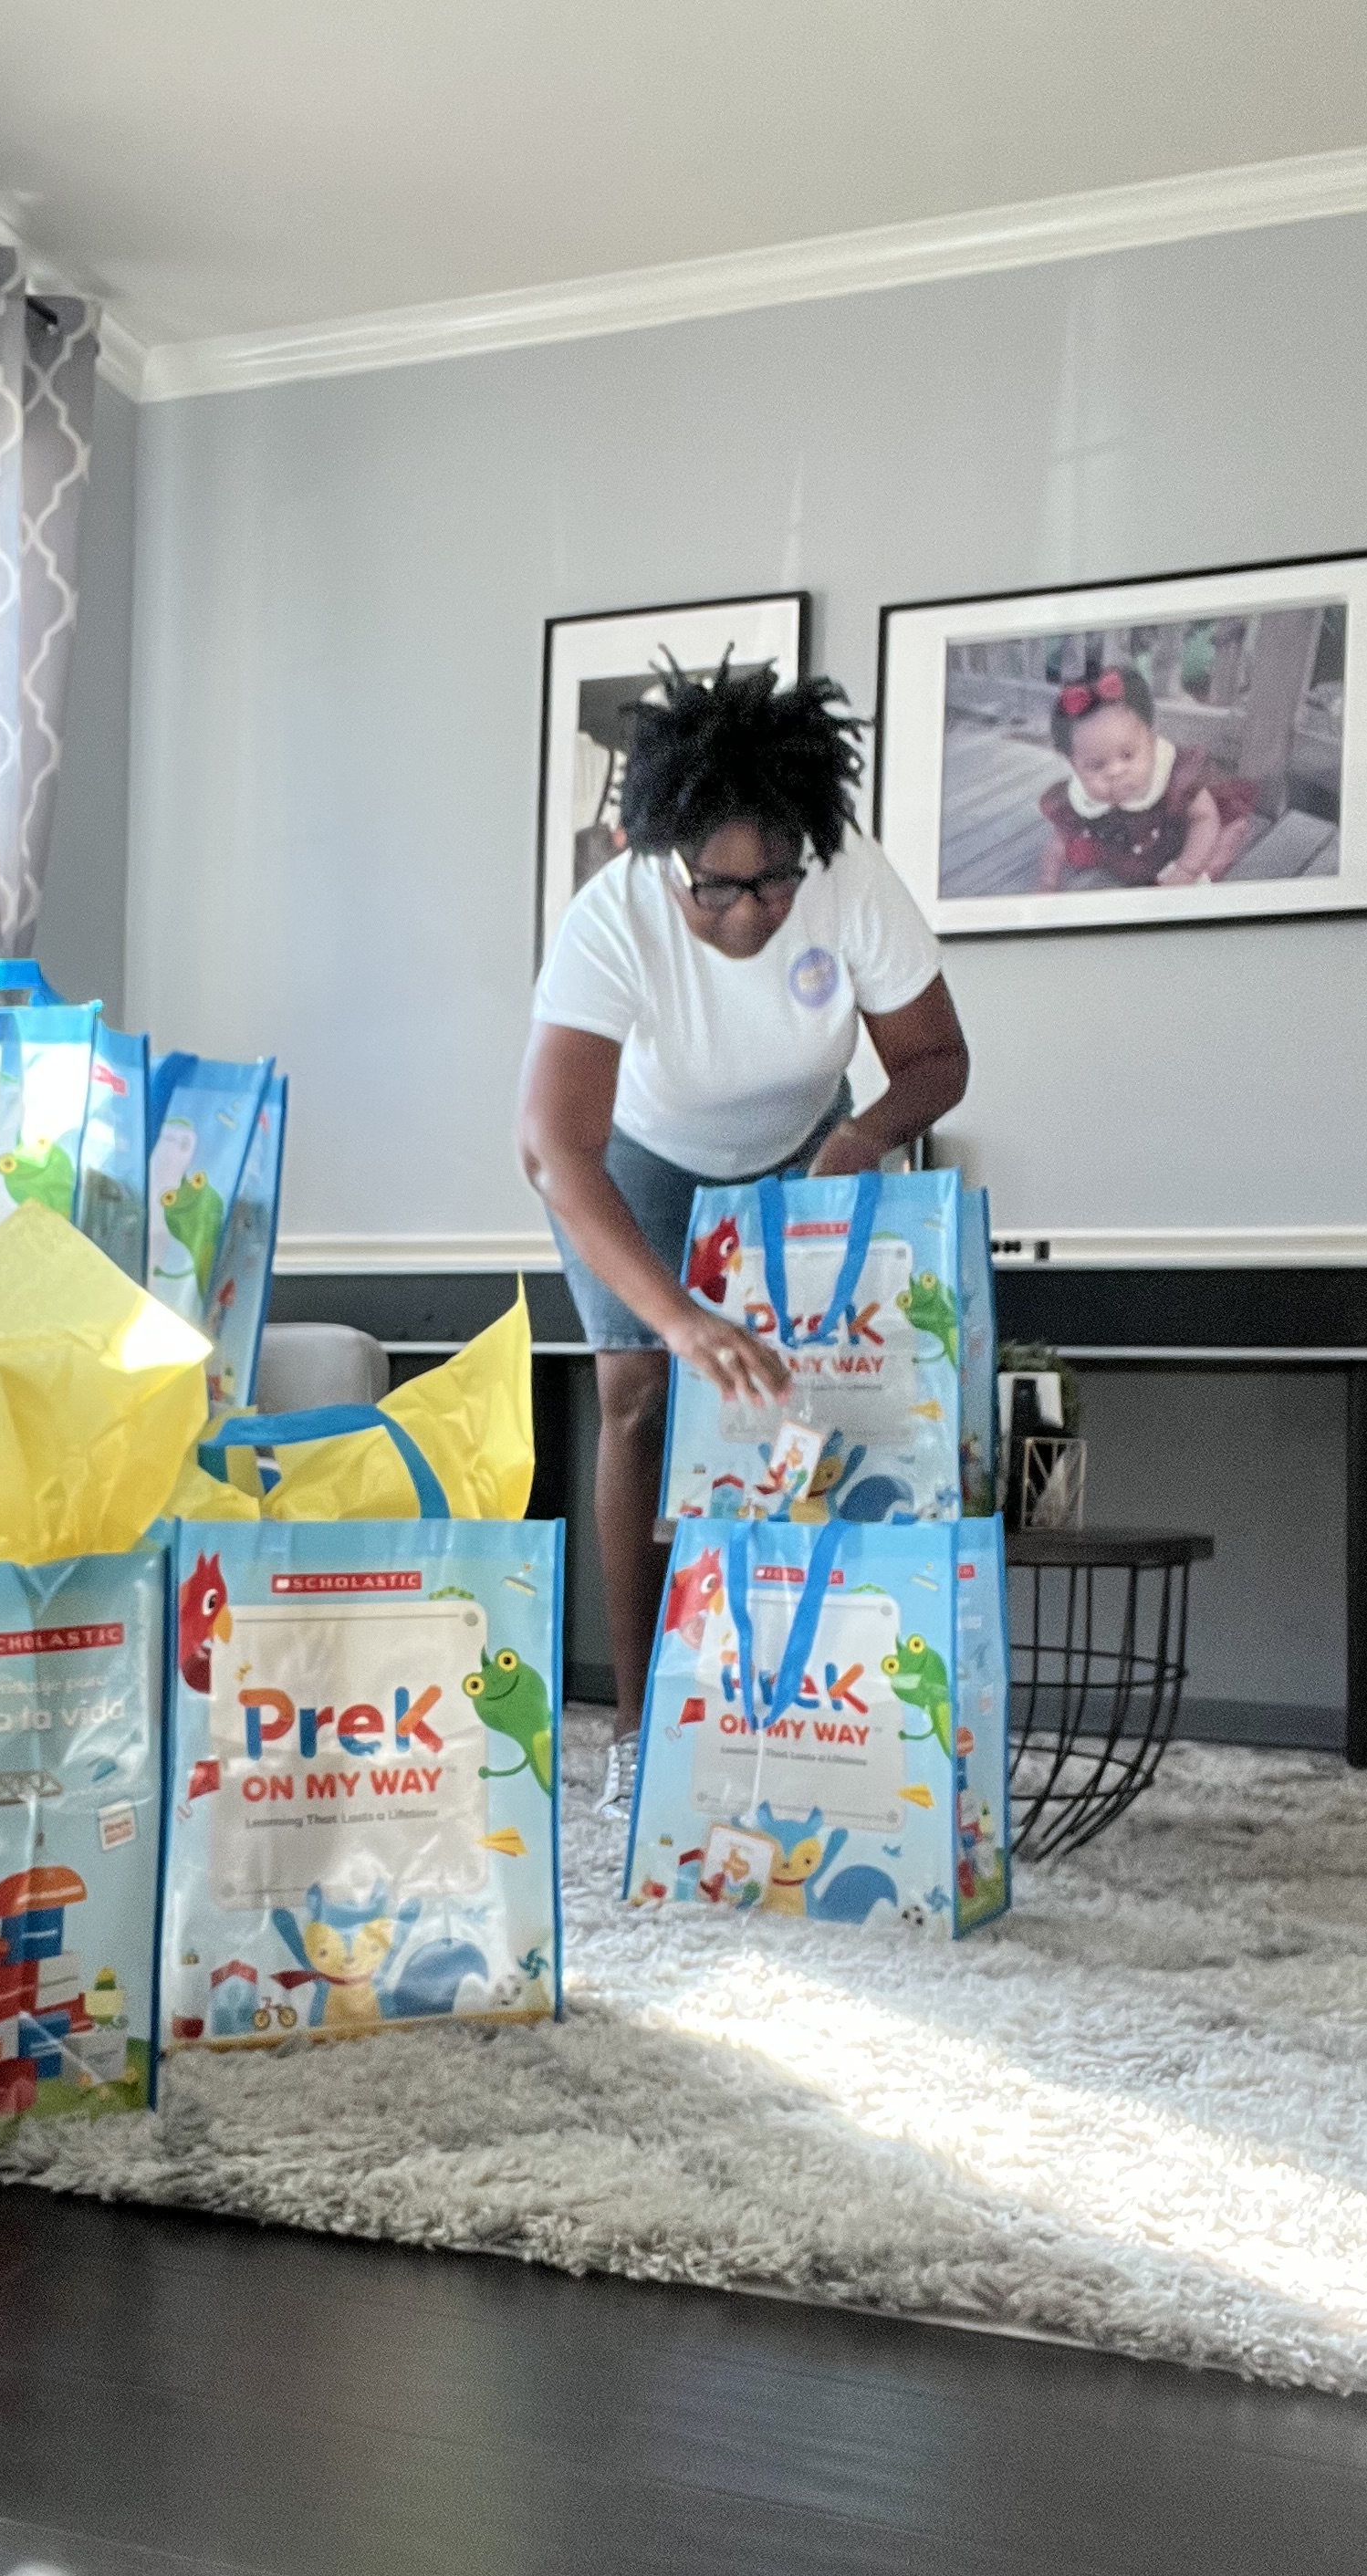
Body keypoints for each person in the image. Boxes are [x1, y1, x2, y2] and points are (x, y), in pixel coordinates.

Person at [518, 662, 970, 1821]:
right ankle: (640, 1728)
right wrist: (678, 1319)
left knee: (813, 1399)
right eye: (715, 887)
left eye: (774, 881)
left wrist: (863, 1136)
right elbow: (554, 1147)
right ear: (654, 848)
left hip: (807, 1141)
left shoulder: (849, 879)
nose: (750, 912)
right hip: (641, 1157)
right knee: (640, 1397)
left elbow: (937, 1059)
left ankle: (811, 1710)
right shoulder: (609, 917)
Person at [1036, 663, 1254, 892]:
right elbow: (1058, 844)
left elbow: (1204, 817)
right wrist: (1048, 882)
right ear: (1074, 766)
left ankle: (1222, 847)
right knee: (1079, 846)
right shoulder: (1080, 799)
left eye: (1128, 755)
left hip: (1182, 843)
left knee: (1215, 851)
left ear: (1151, 741)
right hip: (1131, 854)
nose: (1115, 772)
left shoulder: (1174, 778)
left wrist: (1187, 869)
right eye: (1096, 765)